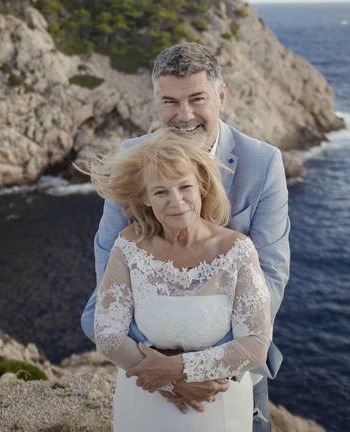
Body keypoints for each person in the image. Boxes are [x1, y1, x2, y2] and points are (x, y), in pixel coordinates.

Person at [80, 42, 290, 431]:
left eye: (197, 99)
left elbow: (272, 277)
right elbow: (107, 269)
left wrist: (197, 368)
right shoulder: (130, 160)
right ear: (156, 103)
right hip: (148, 367)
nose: (185, 115)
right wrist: (160, 369)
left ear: (221, 96)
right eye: (170, 102)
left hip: (230, 372)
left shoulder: (263, 163)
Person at [89, 129, 272, 431]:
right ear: (146, 197)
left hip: (218, 404)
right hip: (145, 401)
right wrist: (170, 383)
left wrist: (177, 369)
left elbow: (255, 345)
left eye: (184, 187)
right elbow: (108, 336)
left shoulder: (237, 250)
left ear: (200, 186)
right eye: (161, 192)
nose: (176, 201)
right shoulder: (128, 247)